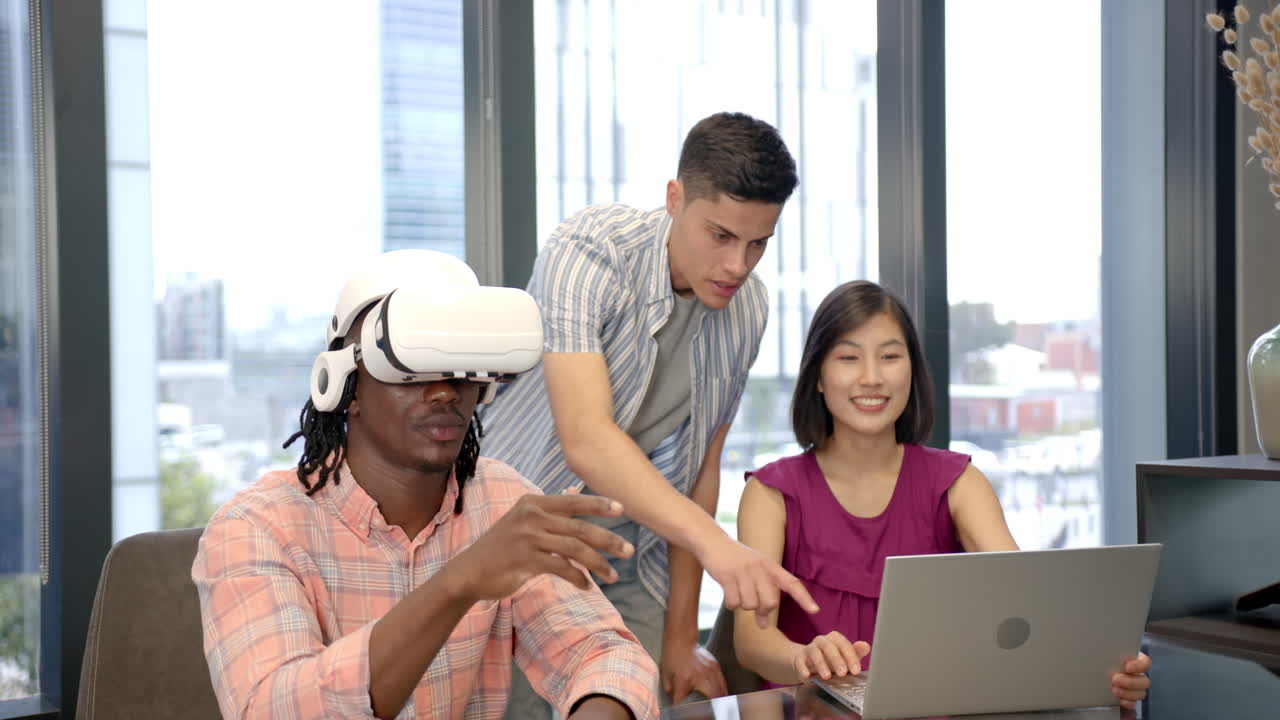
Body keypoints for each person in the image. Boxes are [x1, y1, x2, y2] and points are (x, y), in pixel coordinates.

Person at [192, 250, 658, 720]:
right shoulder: (256, 529)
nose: (444, 392)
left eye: (462, 368)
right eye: (411, 367)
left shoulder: (500, 501)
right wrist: (458, 582)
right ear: (345, 387)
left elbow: (603, 655)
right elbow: (274, 709)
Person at [482, 111, 819, 715]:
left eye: (758, 243)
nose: (738, 266)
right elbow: (586, 438)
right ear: (674, 198)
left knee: (653, 700)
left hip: (632, 549)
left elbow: (700, 470)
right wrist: (719, 546)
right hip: (514, 528)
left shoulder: (749, 311)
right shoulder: (590, 250)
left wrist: (682, 636)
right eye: (720, 236)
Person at [731, 280, 1153, 710]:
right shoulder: (770, 493)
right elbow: (751, 640)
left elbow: (1027, 607)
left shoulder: (958, 483)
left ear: (912, 370)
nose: (872, 377)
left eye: (891, 357)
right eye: (848, 357)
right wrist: (803, 657)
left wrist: (1106, 664)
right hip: (810, 710)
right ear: (818, 378)